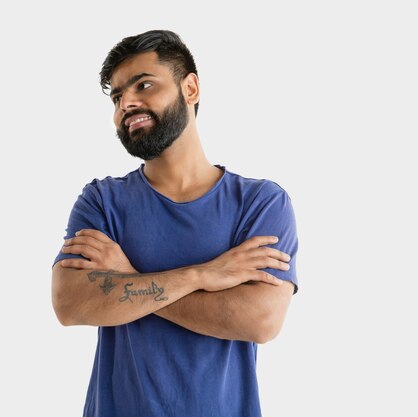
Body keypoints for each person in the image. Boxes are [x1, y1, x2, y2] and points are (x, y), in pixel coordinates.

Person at [51, 29, 298, 417]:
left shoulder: (260, 202)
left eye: (143, 85)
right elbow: (70, 304)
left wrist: (127, 280)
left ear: (191, 88)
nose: (126, 103)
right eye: (117, 97)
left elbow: (260, 319)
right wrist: (203, 275)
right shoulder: (101, 201)